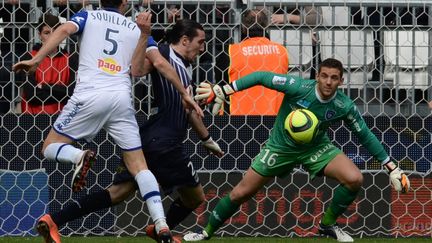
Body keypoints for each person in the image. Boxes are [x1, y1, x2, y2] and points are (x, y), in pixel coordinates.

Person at [13, 1, 202, 242]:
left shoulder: (86, 16)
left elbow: (62, 31)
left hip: (89, 94)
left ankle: (77, 156)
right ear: (124, 3)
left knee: (49, 147)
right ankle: (162, 225)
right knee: (140, 167)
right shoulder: (135, 27)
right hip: (122, 99)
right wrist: (185, 93)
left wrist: (37, 59)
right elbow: (160, 64)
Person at [184, 58, 411, 242]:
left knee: (354, 178)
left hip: (316, 148)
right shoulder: (298, 87)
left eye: (334, 78)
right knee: (240, 193)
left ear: (341, 80)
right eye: (324, 76)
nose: (328, 82)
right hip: (280, 147)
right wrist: (226, 89)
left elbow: (365, 135)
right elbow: (262, 77)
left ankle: (328, 225)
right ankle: (205, 233)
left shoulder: (344, 106)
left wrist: (391, 167)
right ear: (317, 76)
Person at [215, 9, 289, 115]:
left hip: (237, 119)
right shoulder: (281, 51)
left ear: (244, 28)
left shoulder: (231, 51)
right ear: (266, 27)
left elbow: (220, 83)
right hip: (275, 118)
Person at [19, 13, 77, 114]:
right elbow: (31, 95)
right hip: (33, 117)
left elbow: (72, 93)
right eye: (46, 33)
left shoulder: (70, 59)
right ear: (39, 35)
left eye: (55, 32)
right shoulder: (29, 57)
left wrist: (45, 87)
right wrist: (60, 91)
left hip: (62, 117)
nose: (51, 37)